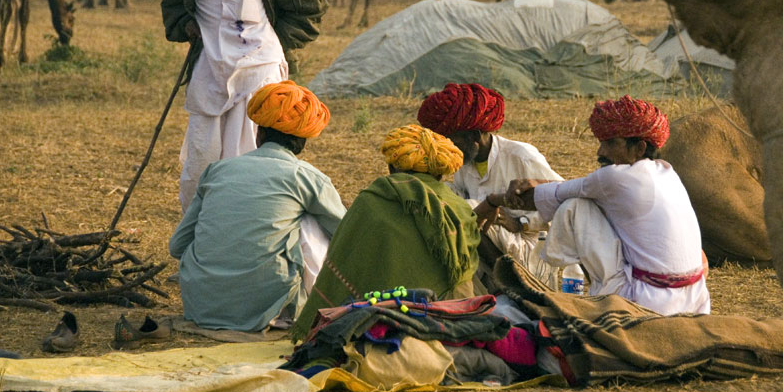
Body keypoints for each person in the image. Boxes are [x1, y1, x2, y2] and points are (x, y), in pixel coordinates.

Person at [155, 0, 328, 213]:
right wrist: (185, 24)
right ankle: (202, 252)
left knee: (247, 169)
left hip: (259, 78)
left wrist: (277, 41)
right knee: (196, 175)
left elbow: (312, 4)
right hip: (209, 75)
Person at [506, 95, 711, 315]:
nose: (600, 152)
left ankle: (600, 300)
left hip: (646, 302)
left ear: (639, 148)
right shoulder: (666, 171)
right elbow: (573, 186)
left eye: (611, 143)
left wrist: (494, 201)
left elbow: (555, 193)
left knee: (576, 207)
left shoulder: (612, 178)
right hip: (696, 299)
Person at [169, 81, 346, 331]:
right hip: (270, 312)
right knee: (309, 221)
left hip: (200, 307)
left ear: (259, 133)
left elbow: (177, 246)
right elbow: (347, 235)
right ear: (303, 142)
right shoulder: (308, 177)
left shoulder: (218, 170)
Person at [292, 124, 480, 339]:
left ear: (391, 168)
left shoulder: (370, 202)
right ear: (439, 174)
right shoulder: (459, 208)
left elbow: (342, 260)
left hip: (375, 327)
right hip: (451, 323)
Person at [417, 83, 562, 287]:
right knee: (439, 195)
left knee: (465, 210)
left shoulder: (522, 157)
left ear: (474, 137)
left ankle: (512, 286)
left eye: (451, 140)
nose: (447, 147)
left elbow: (563, 204)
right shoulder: (464, 160)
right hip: (484, 238)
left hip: (528, 248)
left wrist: (521, 223)